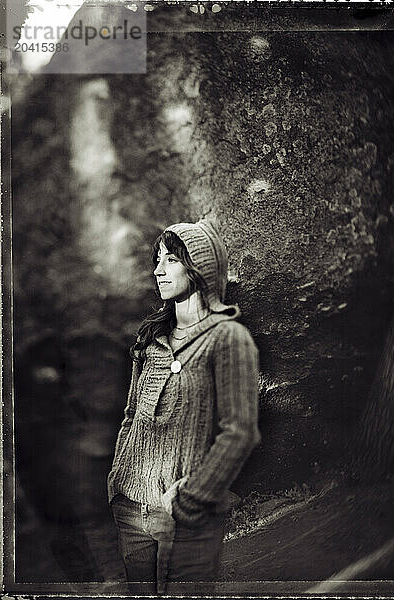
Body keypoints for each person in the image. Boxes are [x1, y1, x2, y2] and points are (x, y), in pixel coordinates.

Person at [107, 218, 261, 593]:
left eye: (171, 259)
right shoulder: (150, 340)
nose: (158, 269)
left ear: (199, 267)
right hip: (131, 508)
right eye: (156, 259)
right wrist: (117, 478)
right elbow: (131, 415)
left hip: (187, 517)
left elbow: (239, 432)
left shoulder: (228, 339)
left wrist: (193, 497)